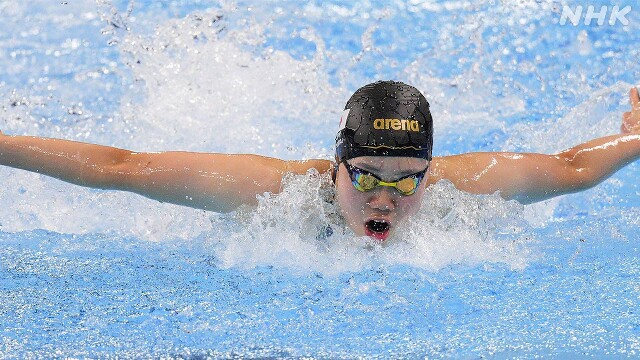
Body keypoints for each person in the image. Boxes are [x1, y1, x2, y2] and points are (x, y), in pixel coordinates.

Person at [1, 81, 639, 241]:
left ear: (430, 171)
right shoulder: (270, 193)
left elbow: (573, 168)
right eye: (365, 177)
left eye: (406, 182)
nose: (384, 199)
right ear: (336, 167)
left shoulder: (463, 188)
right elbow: (119, 166)